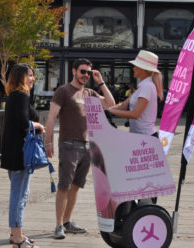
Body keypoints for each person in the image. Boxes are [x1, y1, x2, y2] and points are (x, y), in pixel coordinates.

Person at [45, 58, 115, 239]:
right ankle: (59, 225)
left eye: (88, 73)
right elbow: (51, 117)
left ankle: (67, 222)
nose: (85, 75)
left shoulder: (90, 93)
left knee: (76, 186)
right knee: (64, 186)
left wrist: (101, 82)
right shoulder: (63, 91)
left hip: (87, 145)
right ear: (74, 71)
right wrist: (48, 141)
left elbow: (110, 104)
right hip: (68, 144)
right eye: (82, 71)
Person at [0, 63, 45, 248]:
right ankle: (17, 239)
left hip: (14, 153)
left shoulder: (15, 96)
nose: (33, 78)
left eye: (33, 75)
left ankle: (16, 233)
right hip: (20, 154)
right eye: (29, 75)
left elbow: (24, 118)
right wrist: (39, 126)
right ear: (20, 78)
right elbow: (23, 123)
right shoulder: (20, 96)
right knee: (19, 196)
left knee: (20, 194)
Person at [109, 50, 164, 137]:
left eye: (135, 65)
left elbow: (135, 114)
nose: (133, 68)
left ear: (142, 68)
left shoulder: (147, 86)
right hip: (141, 137)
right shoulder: (143, 86)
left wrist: (111, 111)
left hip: (145, 137)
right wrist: (105, 110)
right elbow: (123, 105)